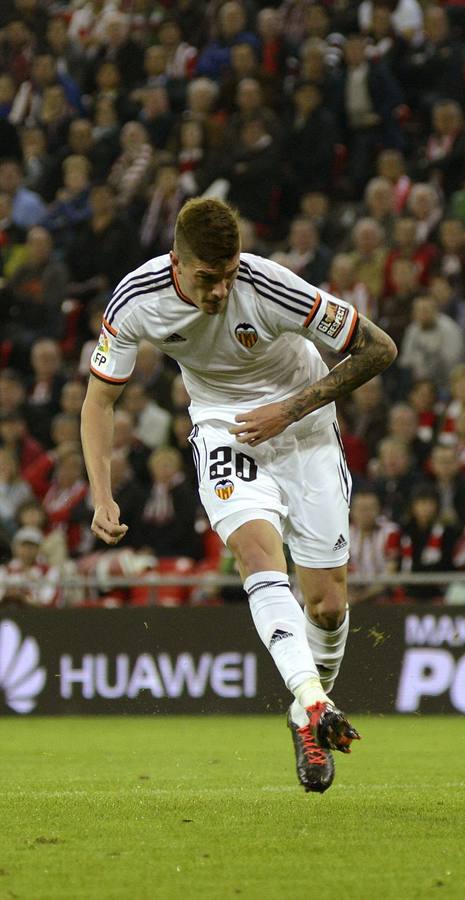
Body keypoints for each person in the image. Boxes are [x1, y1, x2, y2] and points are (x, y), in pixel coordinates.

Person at [80, 198, 397, 794]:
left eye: (228, 275)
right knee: (258, 555)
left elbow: (379, 348)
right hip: (224, 428)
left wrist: (291, 407)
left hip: (303, 427)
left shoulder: (272, 287)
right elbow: (99, 401)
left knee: (327, 604)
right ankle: (310, 704)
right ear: (177, 261)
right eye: (207, 277)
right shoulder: (136, 299)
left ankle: (308, 699)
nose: (221, 290)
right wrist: (102, 495)